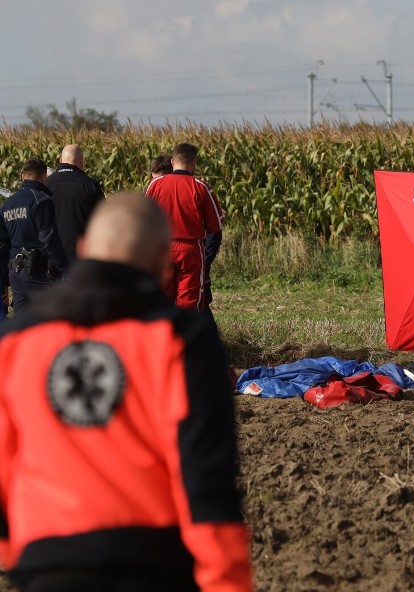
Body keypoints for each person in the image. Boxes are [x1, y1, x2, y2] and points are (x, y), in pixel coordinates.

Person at [0, 192, 253, 591]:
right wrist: (227, 581)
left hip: (47, 562)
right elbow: (205, 473)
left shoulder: (15, 341)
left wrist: (20, 556)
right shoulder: (181, 338)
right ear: (162, 264)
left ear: (83, 249)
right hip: (153, 562)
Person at [146, 143, 224, 311]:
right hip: (190, 251)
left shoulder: (155, 185)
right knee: (189, 303)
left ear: (173, 161)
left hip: (162, 249)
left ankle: (163, 336)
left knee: (162, 302)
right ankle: (186, 335)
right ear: (194, 163)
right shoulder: (201, 187)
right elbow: (215, 227)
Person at [0, 158, 69, 313]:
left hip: (16, 274)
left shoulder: (7, 204)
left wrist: (4, 280)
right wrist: (64, 269)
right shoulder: (41, 200)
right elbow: (49, 239)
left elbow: (2, 245)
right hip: (38, 272)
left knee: (21, 324)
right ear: (44, 176)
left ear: (22, 176)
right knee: (55, 316)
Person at [46, 144, 105, 261]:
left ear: (60, 160)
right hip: (81, 255)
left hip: (51, 255)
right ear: (81, 160)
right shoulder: (90, 185)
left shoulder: (46, 184)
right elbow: (102, 220)